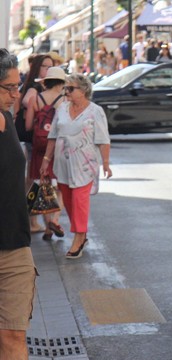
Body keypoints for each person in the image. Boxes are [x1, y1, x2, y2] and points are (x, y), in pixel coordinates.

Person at [0, 47, 38, 360]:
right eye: (8, 87)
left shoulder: (7, 119)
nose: (16, 94)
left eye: (17, 86)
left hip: (14, 248)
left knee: (14, 336)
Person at [40, 73, 113, 258]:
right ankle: (81, 233)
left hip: (85, 164)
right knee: (70, 202)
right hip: (62, 163)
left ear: (84, 90)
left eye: (70, 88)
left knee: (80, 200)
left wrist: (105, 163)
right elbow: (53, 136)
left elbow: (103, 139)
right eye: (66, 88)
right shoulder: (62, 108)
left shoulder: (95, 111)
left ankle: (78, 238)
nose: (67, 91)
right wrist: (46, 160)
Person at [25, 66, 66, 241]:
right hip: (58, 147)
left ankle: (47, 228)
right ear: (61, 83)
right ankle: (55, 220)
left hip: (39, 147)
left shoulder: (36, 98)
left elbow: (27, 127)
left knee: (44, 185)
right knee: (60, 188)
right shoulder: (64, 101)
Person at [15, 54, 53, 234]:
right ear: (37, 68)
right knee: (33, 182)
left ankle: (35, 220)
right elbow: (25, 101)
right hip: (34, 139)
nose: (48, 70)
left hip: (39, 139)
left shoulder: (41, 87)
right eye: (45, 66)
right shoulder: (34, 87)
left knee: (35, 181)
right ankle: (32, 221)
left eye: (50, 67)